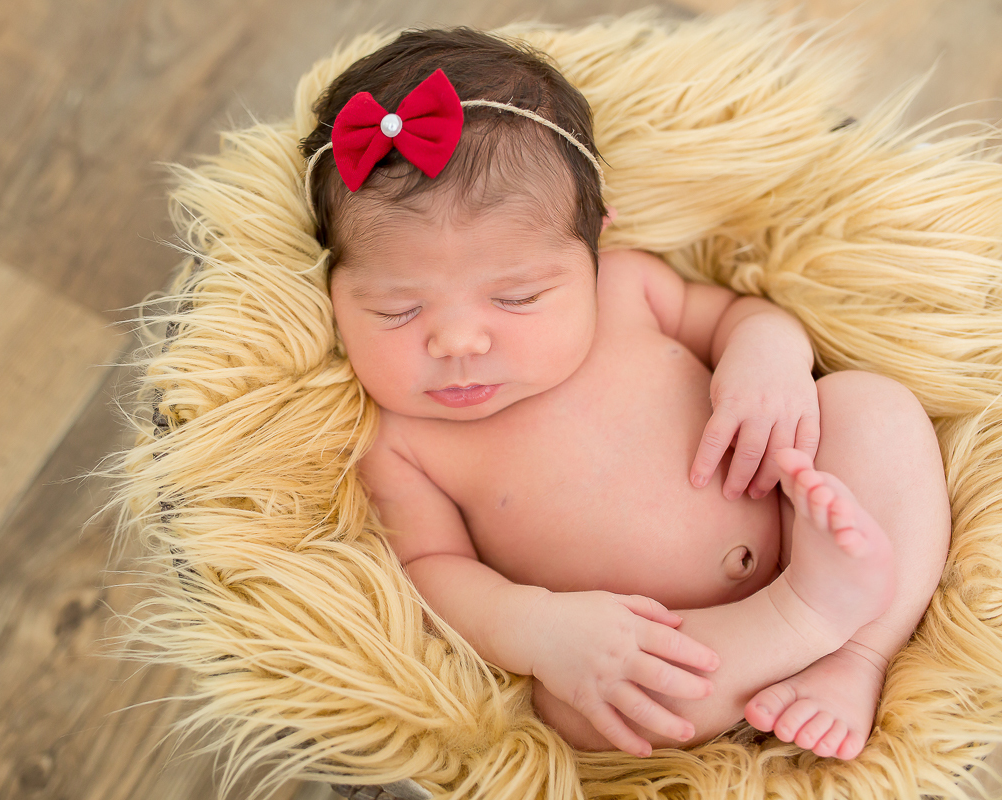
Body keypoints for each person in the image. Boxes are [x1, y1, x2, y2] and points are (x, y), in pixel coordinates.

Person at [299, 27, 951, 760]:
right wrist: (540, 627)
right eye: (397, 310)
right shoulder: (402, 441)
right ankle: (807, 617)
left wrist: (767, 357)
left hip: (805, 518)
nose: (459, 343)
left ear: (594, 249)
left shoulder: (632, 287)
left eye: (517, 297)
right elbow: (433, 571)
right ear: (332, 289)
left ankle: (858, 658)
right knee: (579, 708)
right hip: (680, 650)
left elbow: (740, 314)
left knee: (873, 405)